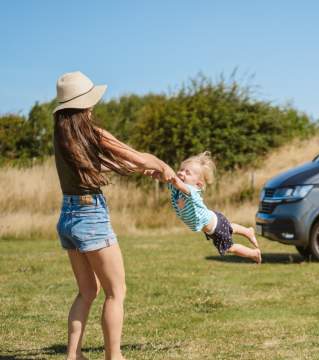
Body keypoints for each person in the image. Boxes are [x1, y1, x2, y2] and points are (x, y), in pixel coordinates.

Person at [53, 71, 176, 360]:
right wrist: (162, 166)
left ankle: (73, 356)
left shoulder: (62, 136)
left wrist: (138, 168)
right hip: (90, 216)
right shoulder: (93, 133)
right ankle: (114, 356)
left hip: (68, 217)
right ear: (84, 105)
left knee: (87, 291)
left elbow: (99, 165)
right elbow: (136, 155)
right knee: (116, 292)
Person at [150, 152, 262, 263]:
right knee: (229, 228)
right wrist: (154, 173)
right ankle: (248, 231)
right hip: (213, 221)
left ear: (198, 184)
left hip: (216, 228)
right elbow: (168, 179)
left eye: (187, 173)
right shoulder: (176, 189)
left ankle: (254, 253)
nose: (181, 173)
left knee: (229, 248)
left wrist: (165, 171)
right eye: (181, 169)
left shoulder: (192, 190)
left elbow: (174, 180)